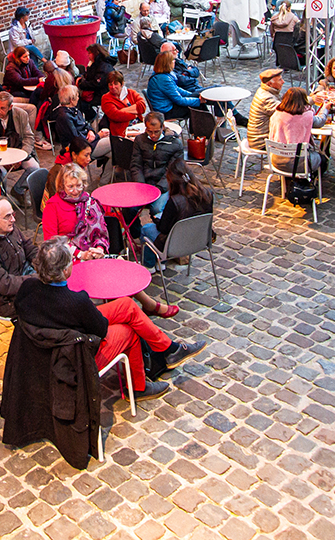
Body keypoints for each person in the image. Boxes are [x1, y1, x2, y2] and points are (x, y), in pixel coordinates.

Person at [16, 238, 203, 399]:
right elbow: (100, 329)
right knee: (129, 331)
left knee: (126, 306)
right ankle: (138, 387)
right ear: (65, 272)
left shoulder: (27, 289)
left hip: (47, 351)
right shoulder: (76, 302)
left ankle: (169, 349)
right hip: (76, 357)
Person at [40, 164, 175, 317]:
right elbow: (52, 243)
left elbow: (101, 231)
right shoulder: (53, 206)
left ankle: (144, 305)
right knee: (107, 274)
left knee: (120, 267)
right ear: (62, 185)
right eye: (70, 187)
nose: (75, 191)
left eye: (79, 186)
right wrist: (80, 254)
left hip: (93, 253)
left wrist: (99, 248)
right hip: (68, 259)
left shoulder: (89, 202)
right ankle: (125, 311)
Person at [129, 112, 183, 220]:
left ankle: (158, 228)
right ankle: (135, 229)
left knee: (157, 209)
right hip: (144, 182)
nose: (153, 135)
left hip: (163, 184)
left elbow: (173, 171)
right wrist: (141, 184)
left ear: (163, 127)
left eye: (156, 132)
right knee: (129, 208)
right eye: (150, 131)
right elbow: (136, 165)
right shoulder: (140, 140)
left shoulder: (175, 144)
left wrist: (159, 189)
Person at [49, 85, 108, 152]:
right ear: (71, 100)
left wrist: (90, 131)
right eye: (77, 96)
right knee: (111, 142)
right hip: (79, 149)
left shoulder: (74, 110)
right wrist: (98, 136)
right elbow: (76, 139)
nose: (78, 98)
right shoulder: (64, 117)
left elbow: (85, 124)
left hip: (87, 142)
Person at [146, 50, 202, 120]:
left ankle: (200, 126)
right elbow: (179, 100)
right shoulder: (163, 79)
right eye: (173, 60)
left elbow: (176, 89)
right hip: (166, 111)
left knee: (196, 100)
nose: (174, 61)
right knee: (198, 107)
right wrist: (198, 101)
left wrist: (192, 95)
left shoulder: (161, 75)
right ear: (167, 63)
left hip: (167, 105)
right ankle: (202, 126)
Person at [245, 68, 284, 151]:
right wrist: (309, 100)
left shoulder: (265, 91)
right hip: (261, 142)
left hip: (260, 138)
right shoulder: (266, 98)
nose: (283, 82)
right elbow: (286, 110)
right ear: (270, 84)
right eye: (280, 80)